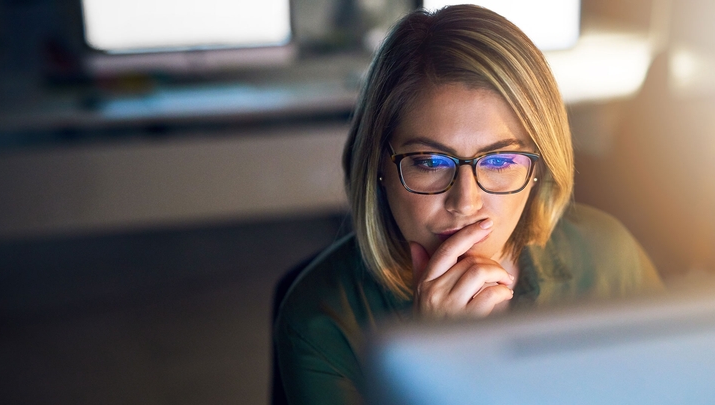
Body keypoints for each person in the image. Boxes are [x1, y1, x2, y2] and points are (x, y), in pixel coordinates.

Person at [273, 4, 663, 404]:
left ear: (539, 167)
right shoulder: (321, 321)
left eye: (499, 161)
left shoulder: (609, 259)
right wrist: (440, 359)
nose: (466, 202)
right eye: (428, 162)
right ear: (378, 166)